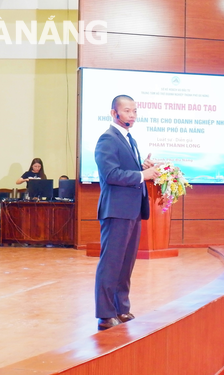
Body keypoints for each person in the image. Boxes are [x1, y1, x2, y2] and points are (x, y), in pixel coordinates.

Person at [94, 95, 160, 331]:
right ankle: (104, 314)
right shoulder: (107, 139)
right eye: (127, 111)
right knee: (111, 263)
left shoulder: (129, 139)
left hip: (132, 210)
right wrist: (143, 175)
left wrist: (143, 168)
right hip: (117, 210)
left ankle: (121, 308)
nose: (132, 115)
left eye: (134, 111)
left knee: (125, 264)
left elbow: (126, 170)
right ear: (114, 113)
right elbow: (111, 174)